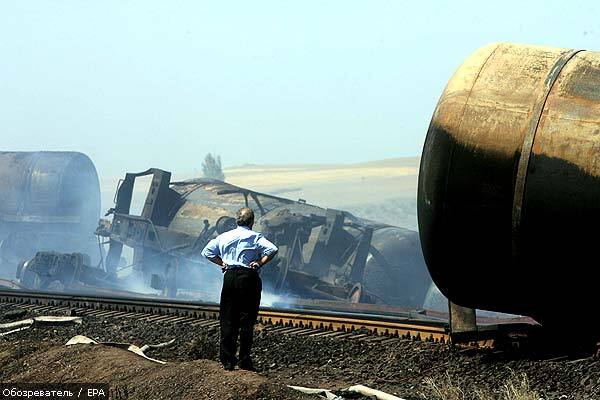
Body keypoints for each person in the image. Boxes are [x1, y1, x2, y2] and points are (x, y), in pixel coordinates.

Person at [201, 207, 278, 371]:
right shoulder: (255, 237)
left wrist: (222, 263)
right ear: (252, 222)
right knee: (247, 320)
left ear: (236, 220)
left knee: (228, 318)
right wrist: (259, 263)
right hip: (248, 277)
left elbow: (206, 252)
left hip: (229, 277)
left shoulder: (224, 236)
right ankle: (244, 359)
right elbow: (272, 249)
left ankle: (227, 360)